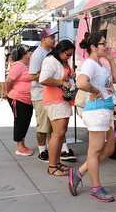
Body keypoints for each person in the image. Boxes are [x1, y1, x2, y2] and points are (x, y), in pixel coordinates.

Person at [70, 32, 116, 202]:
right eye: (102, 43)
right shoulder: (90, 63)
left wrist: (111, 59)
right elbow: (81, 82)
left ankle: (79, 172)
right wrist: (95, 90)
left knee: (110, 148)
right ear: (93, 47)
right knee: (95, 151)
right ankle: (96, 188)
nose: (105, 46)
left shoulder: (101, 64)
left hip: (106, 110)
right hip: (97, 111)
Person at [29, 27, 75, 162]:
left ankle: (59, 155)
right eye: (51, 37)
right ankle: (46, 154)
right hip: (45, 96)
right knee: (48, 128)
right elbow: (38, 77)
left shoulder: (56, 57)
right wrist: (60, 81)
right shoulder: (42, 56)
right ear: (43, 39)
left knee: (58, 132)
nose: (54, 40)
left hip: (60, 98)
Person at [39, 39, 76, 176]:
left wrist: (70, 76)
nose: (69, 57)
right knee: (58, 133)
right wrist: (61, 82)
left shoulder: (61, 61)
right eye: (67, 54)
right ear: (60, 51)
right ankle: (52, 166)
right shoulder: (50, 60)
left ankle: (57, 162)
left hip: (62, 100)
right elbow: (43, 79)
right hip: (55, 101)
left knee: (61, 133)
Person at [6, 45, 35, 156]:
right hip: (18, 98)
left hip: (26, 99)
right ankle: (19, 147)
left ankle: (22, 144)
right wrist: (7, 93)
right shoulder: (18, 66)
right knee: (20, 121)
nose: (31, 54)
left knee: (25, 121)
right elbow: (9, 80)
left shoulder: (26, 66)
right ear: (25, 54)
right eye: (29, 52)